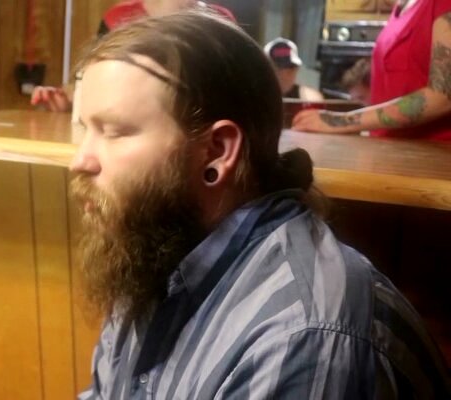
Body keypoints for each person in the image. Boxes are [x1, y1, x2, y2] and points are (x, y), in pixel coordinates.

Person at [70, 10, 450, 399]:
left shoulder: (301, 338)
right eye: (86, 129)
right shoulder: (152, 247)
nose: (79, 161)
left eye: (114, 131)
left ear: (217, 151)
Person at [30, 0, 235, 112]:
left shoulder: (222, 20)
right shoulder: (118, 18)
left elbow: (233, 93)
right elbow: (91, 83)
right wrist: (70, 101)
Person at [293, 0, 451, 140]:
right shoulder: (401, 7)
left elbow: (443, 96)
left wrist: (339, 121)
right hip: (393, 151)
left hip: (431, 152)